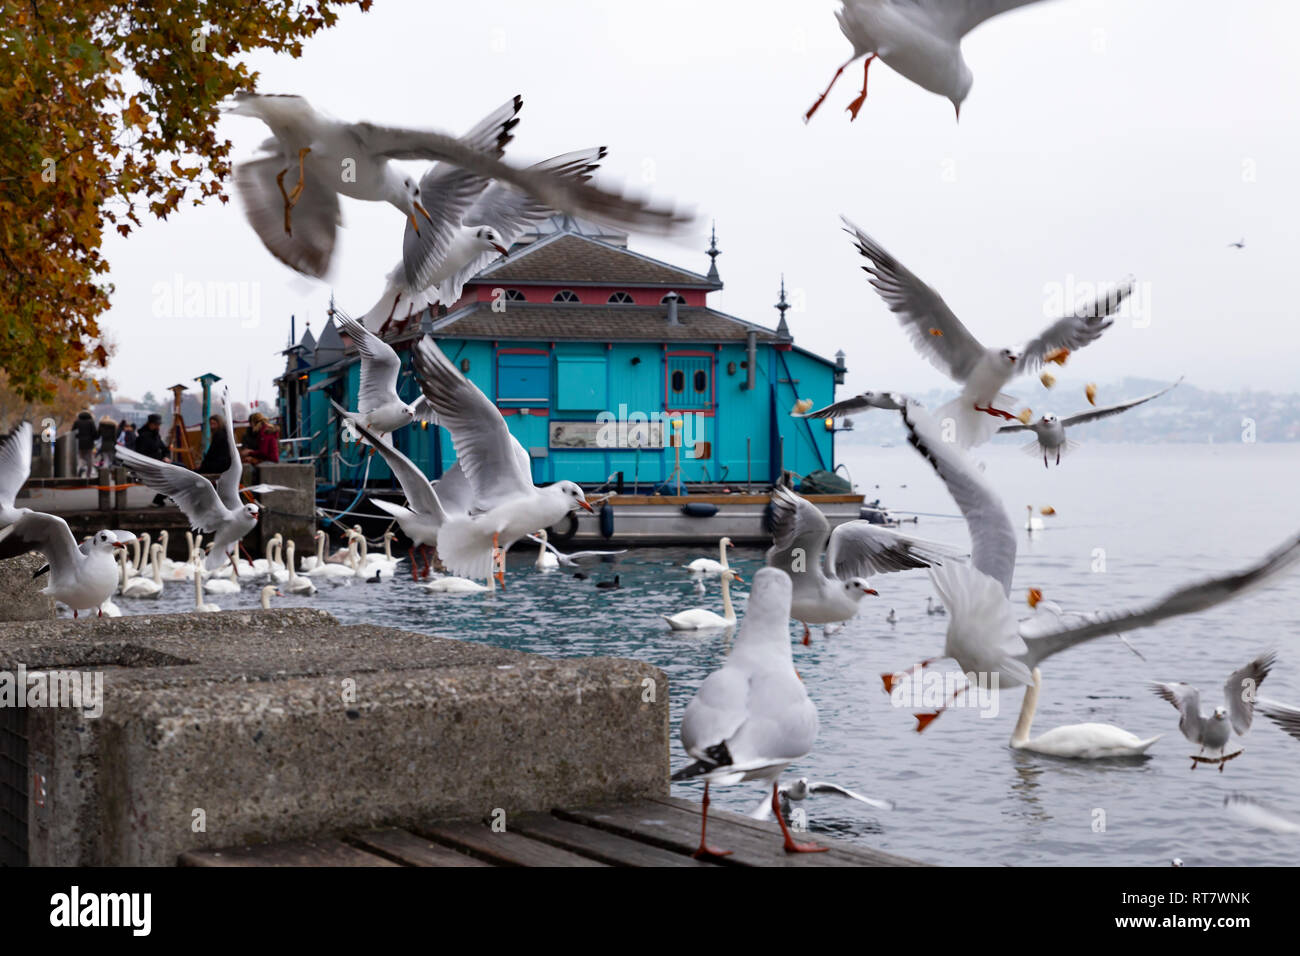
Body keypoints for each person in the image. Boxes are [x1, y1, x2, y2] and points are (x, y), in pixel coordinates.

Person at [133, 414, 171, 506]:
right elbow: (141, 455)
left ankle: (161, 499)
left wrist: (166, 457)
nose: (158, 427)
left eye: (158, 425)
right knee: (173, 476)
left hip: (159, 464)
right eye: (156, 424)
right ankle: (159, 499)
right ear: (150, 424)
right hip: (149, 467)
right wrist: (160, 459)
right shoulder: (142, 437)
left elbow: (165, 449)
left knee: (182, 468)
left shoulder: (156, 436)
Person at [72, 410, 97, 478]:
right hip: (89, 443)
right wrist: (94, 438)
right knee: (89, 459)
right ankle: (88, 475)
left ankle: (80, 468)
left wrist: (78, 437)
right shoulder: (90, 422)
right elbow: (94, 433)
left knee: (81, 457)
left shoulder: (77, 422)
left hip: (80, 443)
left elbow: (73, 432)